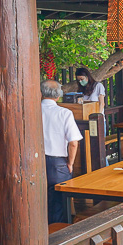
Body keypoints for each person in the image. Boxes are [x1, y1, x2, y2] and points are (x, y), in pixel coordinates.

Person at [41, 79, 83, 224]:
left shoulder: (31, 111)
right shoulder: (64, 113)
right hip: (57, 163)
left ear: (41, 93)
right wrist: (70, 163)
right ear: (58, 95)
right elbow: (73, 143)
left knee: (39, 201)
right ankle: (57, 239)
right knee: (59, 204)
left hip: (35, 162)